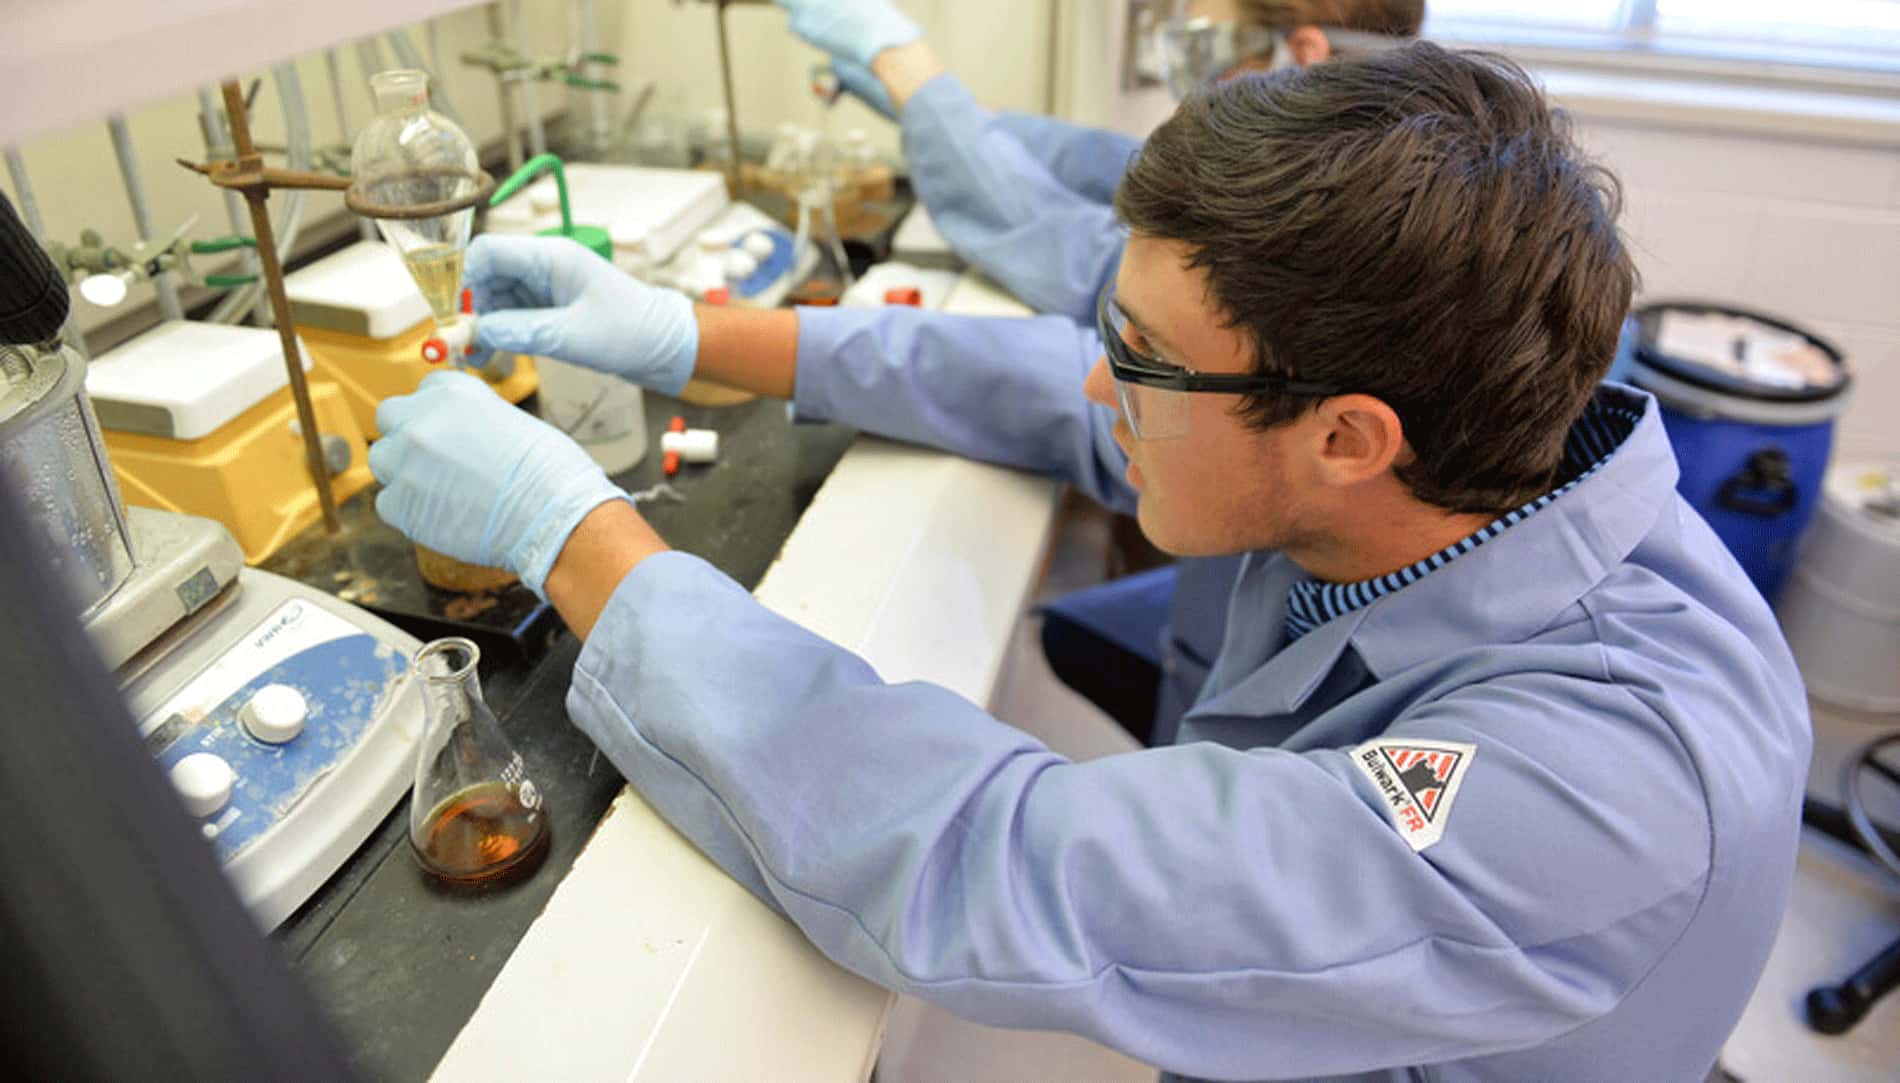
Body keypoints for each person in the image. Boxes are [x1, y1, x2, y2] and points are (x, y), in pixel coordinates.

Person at [370, 44, 1810, 1081]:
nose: (1099, 379)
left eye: (1141, 354)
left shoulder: (1599, 781)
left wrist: (575, 536)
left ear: (1346, 438)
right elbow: (1069, 391)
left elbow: (1009, 860)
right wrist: (694, 336)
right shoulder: (1442, 451)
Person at [778, 0, 1428, 745]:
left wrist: (904, 66)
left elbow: (1057, 248)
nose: (1186, 73)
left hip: (1246, 676)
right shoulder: (1391, 185)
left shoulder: (1322, 262)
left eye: (1202, 44)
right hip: (1228, 624)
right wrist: (908, 91)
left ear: (1302, 53)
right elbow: (1084, 161)